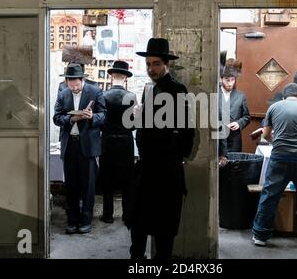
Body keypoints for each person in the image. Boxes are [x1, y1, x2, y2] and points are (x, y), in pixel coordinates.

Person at [126, 38, 195, 260]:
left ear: (167, 65)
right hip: (146, 170)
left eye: (156, 64)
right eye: (148, 64)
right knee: (138, 229)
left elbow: (186, 130)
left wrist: (175, 157)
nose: (151, 69)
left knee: (163, 234)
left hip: (165, 173)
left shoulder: (177, 90)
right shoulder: (149, 90)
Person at [251, 83, 297, 247]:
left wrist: (275, 143)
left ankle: (260, 236)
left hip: (279, 158)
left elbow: (266, 135)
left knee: (270, 196)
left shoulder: (274, 108)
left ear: (284, 97)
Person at [53, 63, 106, 234]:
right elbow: (56, 117)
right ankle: (72, 220)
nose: (74, 88)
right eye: (71, 84)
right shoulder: (63, 94)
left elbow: (104, 115)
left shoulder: (95, 92)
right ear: (66, 81)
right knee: (71, 186)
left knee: (88, 186)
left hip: (88, 146)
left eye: (77, 85)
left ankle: (86, 220)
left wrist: (92, 117)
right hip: (70, 145)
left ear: (82, 80)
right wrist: (71, 119)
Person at [99, 60, 137, 224]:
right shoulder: (131, 97)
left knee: (107, 179)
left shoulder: (103, 96)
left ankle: (108, 215)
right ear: (125, 78)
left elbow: (100, 120)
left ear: (112, 76)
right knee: (127, 180)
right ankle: (127, 214)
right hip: (125, 142)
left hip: (107, 142)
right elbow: (134, 124)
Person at [218, 59, 251, 153]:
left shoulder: (240, 96)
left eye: (233, 80)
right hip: (218, 139)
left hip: (234, 141)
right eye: (227, 80)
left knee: (235, 166)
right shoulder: (214, 94)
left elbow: (247, 117)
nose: (230, 83)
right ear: (221, 79)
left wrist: (239, 123)